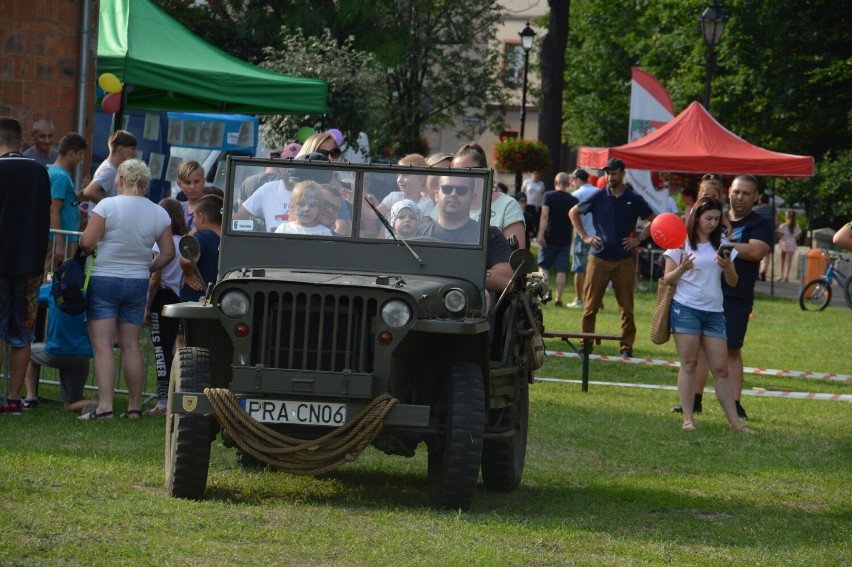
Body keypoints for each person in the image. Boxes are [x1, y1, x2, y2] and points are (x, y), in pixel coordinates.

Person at [77, 159, 175, 420]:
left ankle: (106, 406)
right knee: (131, 345)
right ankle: (133, 407)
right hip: (137, 281)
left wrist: (82, 244)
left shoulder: (107, 205)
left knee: (103, 346)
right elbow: (168, 253)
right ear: (145, 184)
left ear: (119, 181)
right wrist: (149, 267)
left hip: (104, 278)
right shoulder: (159, 213)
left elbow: (87, 242)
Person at [674, 175, 772, 419]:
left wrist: (723, 244)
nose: (740, 197)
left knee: (731, 350)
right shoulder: (717, 216)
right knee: (698, 351)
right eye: (737, 192)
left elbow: (757, 250)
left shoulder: (759, 222)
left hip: (736, 293)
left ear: (755, 196)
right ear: (729, 192)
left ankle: (736, 405)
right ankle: (694, 400)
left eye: (746, 193)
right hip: (704, 294)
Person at [663, 197, 754, 434]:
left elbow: (732, 282)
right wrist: (682, 268)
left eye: (716, 219)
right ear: (696, 217)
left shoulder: (723, 244)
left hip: (714, 311)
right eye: (708, 218)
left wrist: (727, 267)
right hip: (685, 309)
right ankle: (688, 419)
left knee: (721, 369)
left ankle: (735, 424)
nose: (712, 223)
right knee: (690, 364)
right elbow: (667, 279)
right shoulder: (680, 242)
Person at [568, 158, 656, 359]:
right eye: (607, 173)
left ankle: (626, 347)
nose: (609, 177)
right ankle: (586, 344)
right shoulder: (598, 196)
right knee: (590, 307)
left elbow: (655, 220)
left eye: (614, 173)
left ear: (623, 174)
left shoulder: (634, 198)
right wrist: (585, 236)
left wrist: (639, 239)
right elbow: (573, 212)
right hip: (597, 259)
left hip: (624, 260)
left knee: (627, 308)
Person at [0, 117, 51, 415]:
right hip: (29, 264)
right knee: (22, 337)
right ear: (21, 140)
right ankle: (13, 399)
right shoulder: (39, 172)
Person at [417, 173, 512, 293]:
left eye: (461, 190)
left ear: (472, 197)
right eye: (447, 189)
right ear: (437, 195)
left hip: (470, 307)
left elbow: (506, 280)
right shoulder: (418, 234)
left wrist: (457, 271)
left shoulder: (489, 235)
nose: (453, 194)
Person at [144, 198, 189, 415]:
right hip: (180, 298)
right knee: (178, 349)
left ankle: (164, 401)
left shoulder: (161, 243)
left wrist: (147, 306)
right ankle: (177, 396)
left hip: (162, 298)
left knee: (162, 352)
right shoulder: (187, 242)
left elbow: (155, 278)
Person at [22, 284, 94, 412]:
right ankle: (100, 403)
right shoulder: (91, 291)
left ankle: (31, 397)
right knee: (70, 404)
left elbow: (29, 296)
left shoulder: (53, 288)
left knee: (26, 352)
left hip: (56, 353)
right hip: (81, 356)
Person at [453, 143, 526, 248]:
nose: (459, 177)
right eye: (455, 172)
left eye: (466, 171)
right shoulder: (448, 203)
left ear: (483, 170)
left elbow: (515, 256)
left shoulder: (508, 206)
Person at [45, 133, 88, 274]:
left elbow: (66, 201)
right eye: (80, 154)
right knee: (53, 279)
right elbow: (54, 209)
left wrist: (82, 192)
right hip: (61, 239)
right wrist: (60, 242)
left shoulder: (58, 172)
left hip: (64, 238)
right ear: (71, 153)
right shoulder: (61, 177)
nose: (81, 159)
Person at [536, 172, 579, 306]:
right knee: (561, 270)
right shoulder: (573, 200)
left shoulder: (548, 196)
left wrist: (540, 234)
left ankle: (544, 294)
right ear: (567, 184)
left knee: (543, 266)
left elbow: (544, 216)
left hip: (549, 236)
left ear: (555, 182)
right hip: (565, 238)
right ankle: (558, 299)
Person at [180, 194, 222, 302]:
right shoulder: (228, 240)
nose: (194, 222)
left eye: (194, 217)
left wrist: (188, 274)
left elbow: (186, 260)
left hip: (196, 302)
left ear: (202, 217)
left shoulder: (202, 237)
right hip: (220, 299)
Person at [81, 130, 137, 206]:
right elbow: (89, 191)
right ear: (120, 149)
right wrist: (107, 207)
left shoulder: (111, 168)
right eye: (133, 149)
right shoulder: (109, 170)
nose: (135, 153)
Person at [569, 168, 598, 309]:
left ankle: (579, 299)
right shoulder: (598, 192)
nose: (572, 183)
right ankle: (596, 300)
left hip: (583, 235)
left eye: (573, 180)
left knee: (579, 268)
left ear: (578, 180)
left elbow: (572, 215)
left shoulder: (576, 194)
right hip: (598, 235)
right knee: (595, 269)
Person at [175, 160, 205, 231]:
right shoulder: (179, 210)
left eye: (196, 182)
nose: (192, 187)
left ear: (203, 182)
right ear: (179, 184)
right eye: (187, 182)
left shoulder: (212, 208)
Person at [753, 192, 776, 280]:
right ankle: (763, 271)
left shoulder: (755, 209)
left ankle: (756, 272)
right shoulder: (772, 209)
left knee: (756, 253)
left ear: (759, 200)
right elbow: (776, 222)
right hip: (769, 233)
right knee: (767, 254)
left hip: (756, 233)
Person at [776, 209, 801, 282]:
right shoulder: (796, 226)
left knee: (782, 260)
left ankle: (781, 275)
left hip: (784, 244)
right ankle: (786, 276)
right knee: (789, 261)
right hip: (792, 244)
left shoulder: (783, 226)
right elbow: (798, 237)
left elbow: (779, 235)